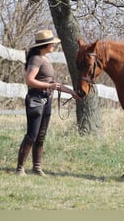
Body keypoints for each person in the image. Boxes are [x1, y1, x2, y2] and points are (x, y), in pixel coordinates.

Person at [16, 29, 80, 176]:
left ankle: (37, 168)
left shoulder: (45, 59)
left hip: (46, 100)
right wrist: (48, 86)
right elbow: (29, 80)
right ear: (45, 45)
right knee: (32, 134)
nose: (54, 46)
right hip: (36, 100)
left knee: (41, 135)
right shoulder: (36, 60)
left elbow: (53, 83)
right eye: (52, 44)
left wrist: (70, 92)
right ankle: (20, 168)